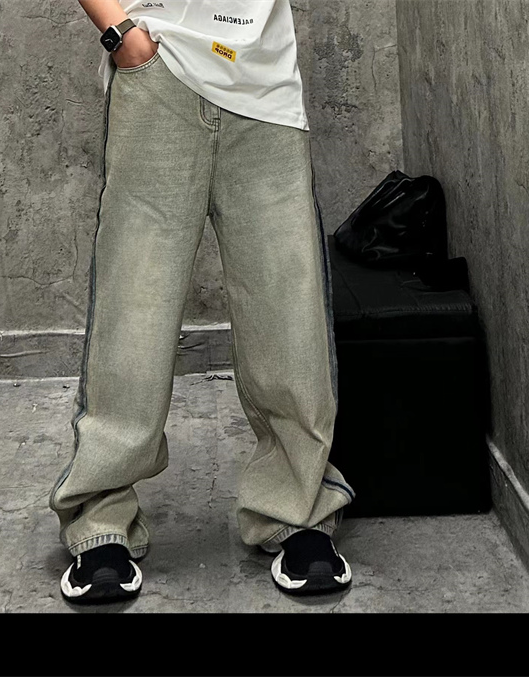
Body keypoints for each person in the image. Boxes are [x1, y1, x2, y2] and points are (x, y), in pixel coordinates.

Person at [49, 0, 356, 605]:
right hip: (157, 71)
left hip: (264, 82)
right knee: (134, 304)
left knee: (287, 309)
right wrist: (121, 34)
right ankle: (100, 521)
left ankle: (298, 510)